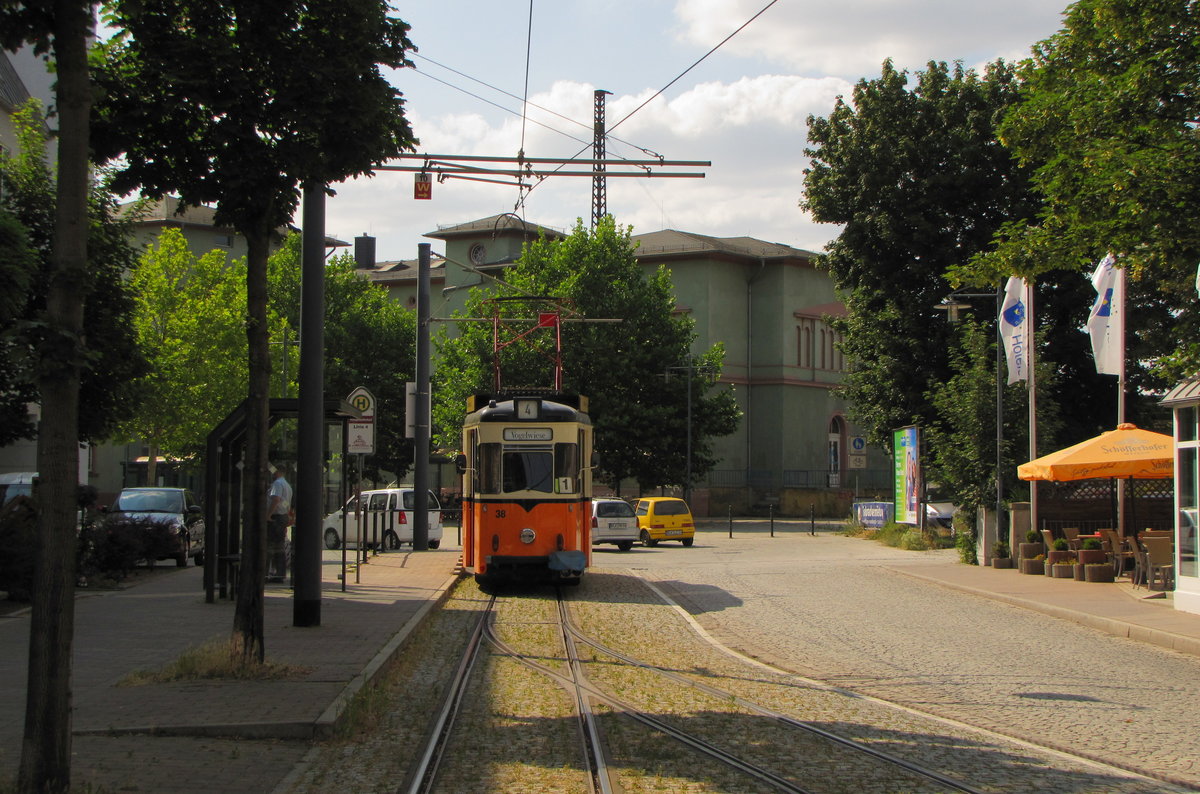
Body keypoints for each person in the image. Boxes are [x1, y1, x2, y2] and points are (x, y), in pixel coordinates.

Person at [267, 465, 293, 583]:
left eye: (273, 470)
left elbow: (276, 499)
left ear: (278, 471)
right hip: (282, 517)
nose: (272, 473)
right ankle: (280, 573)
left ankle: (268, 573)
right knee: (279, 547)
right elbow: (286, 504)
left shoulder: (277, 484)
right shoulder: (287, 485)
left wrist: (268, 515)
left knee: (270, 546)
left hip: (275, 518)